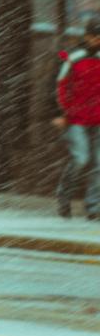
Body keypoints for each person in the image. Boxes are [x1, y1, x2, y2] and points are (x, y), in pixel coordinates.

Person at [53, 19, 100, 220]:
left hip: (98, 118)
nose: (97, 40)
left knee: (99, 164)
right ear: (87, 36)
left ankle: (94, 208)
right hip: (75, 119)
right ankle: (64, 196)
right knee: (81, 159)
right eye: (94, 36)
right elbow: (56, 85)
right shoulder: (72, 57)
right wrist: (58, 113)